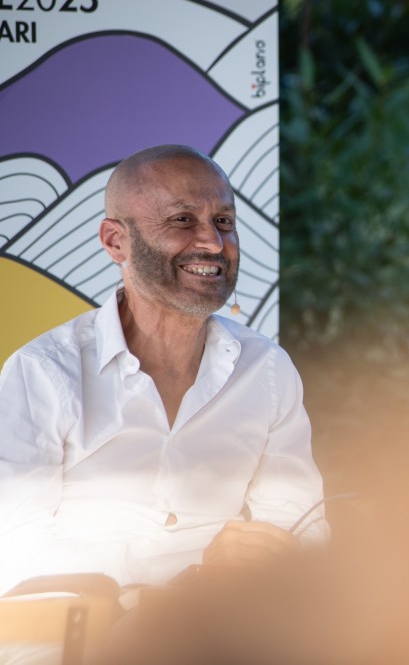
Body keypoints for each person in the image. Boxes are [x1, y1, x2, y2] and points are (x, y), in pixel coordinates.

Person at [0, 144, 328, 596]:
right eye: (181, 220)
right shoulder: (43, 372)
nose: (213, 243)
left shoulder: (266, 369)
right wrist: (180, 590)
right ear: (116, 241)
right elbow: (14, 555)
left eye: (224, 222)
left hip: (220, 634)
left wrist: (266, 565)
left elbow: (299, 528)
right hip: (75, 639)